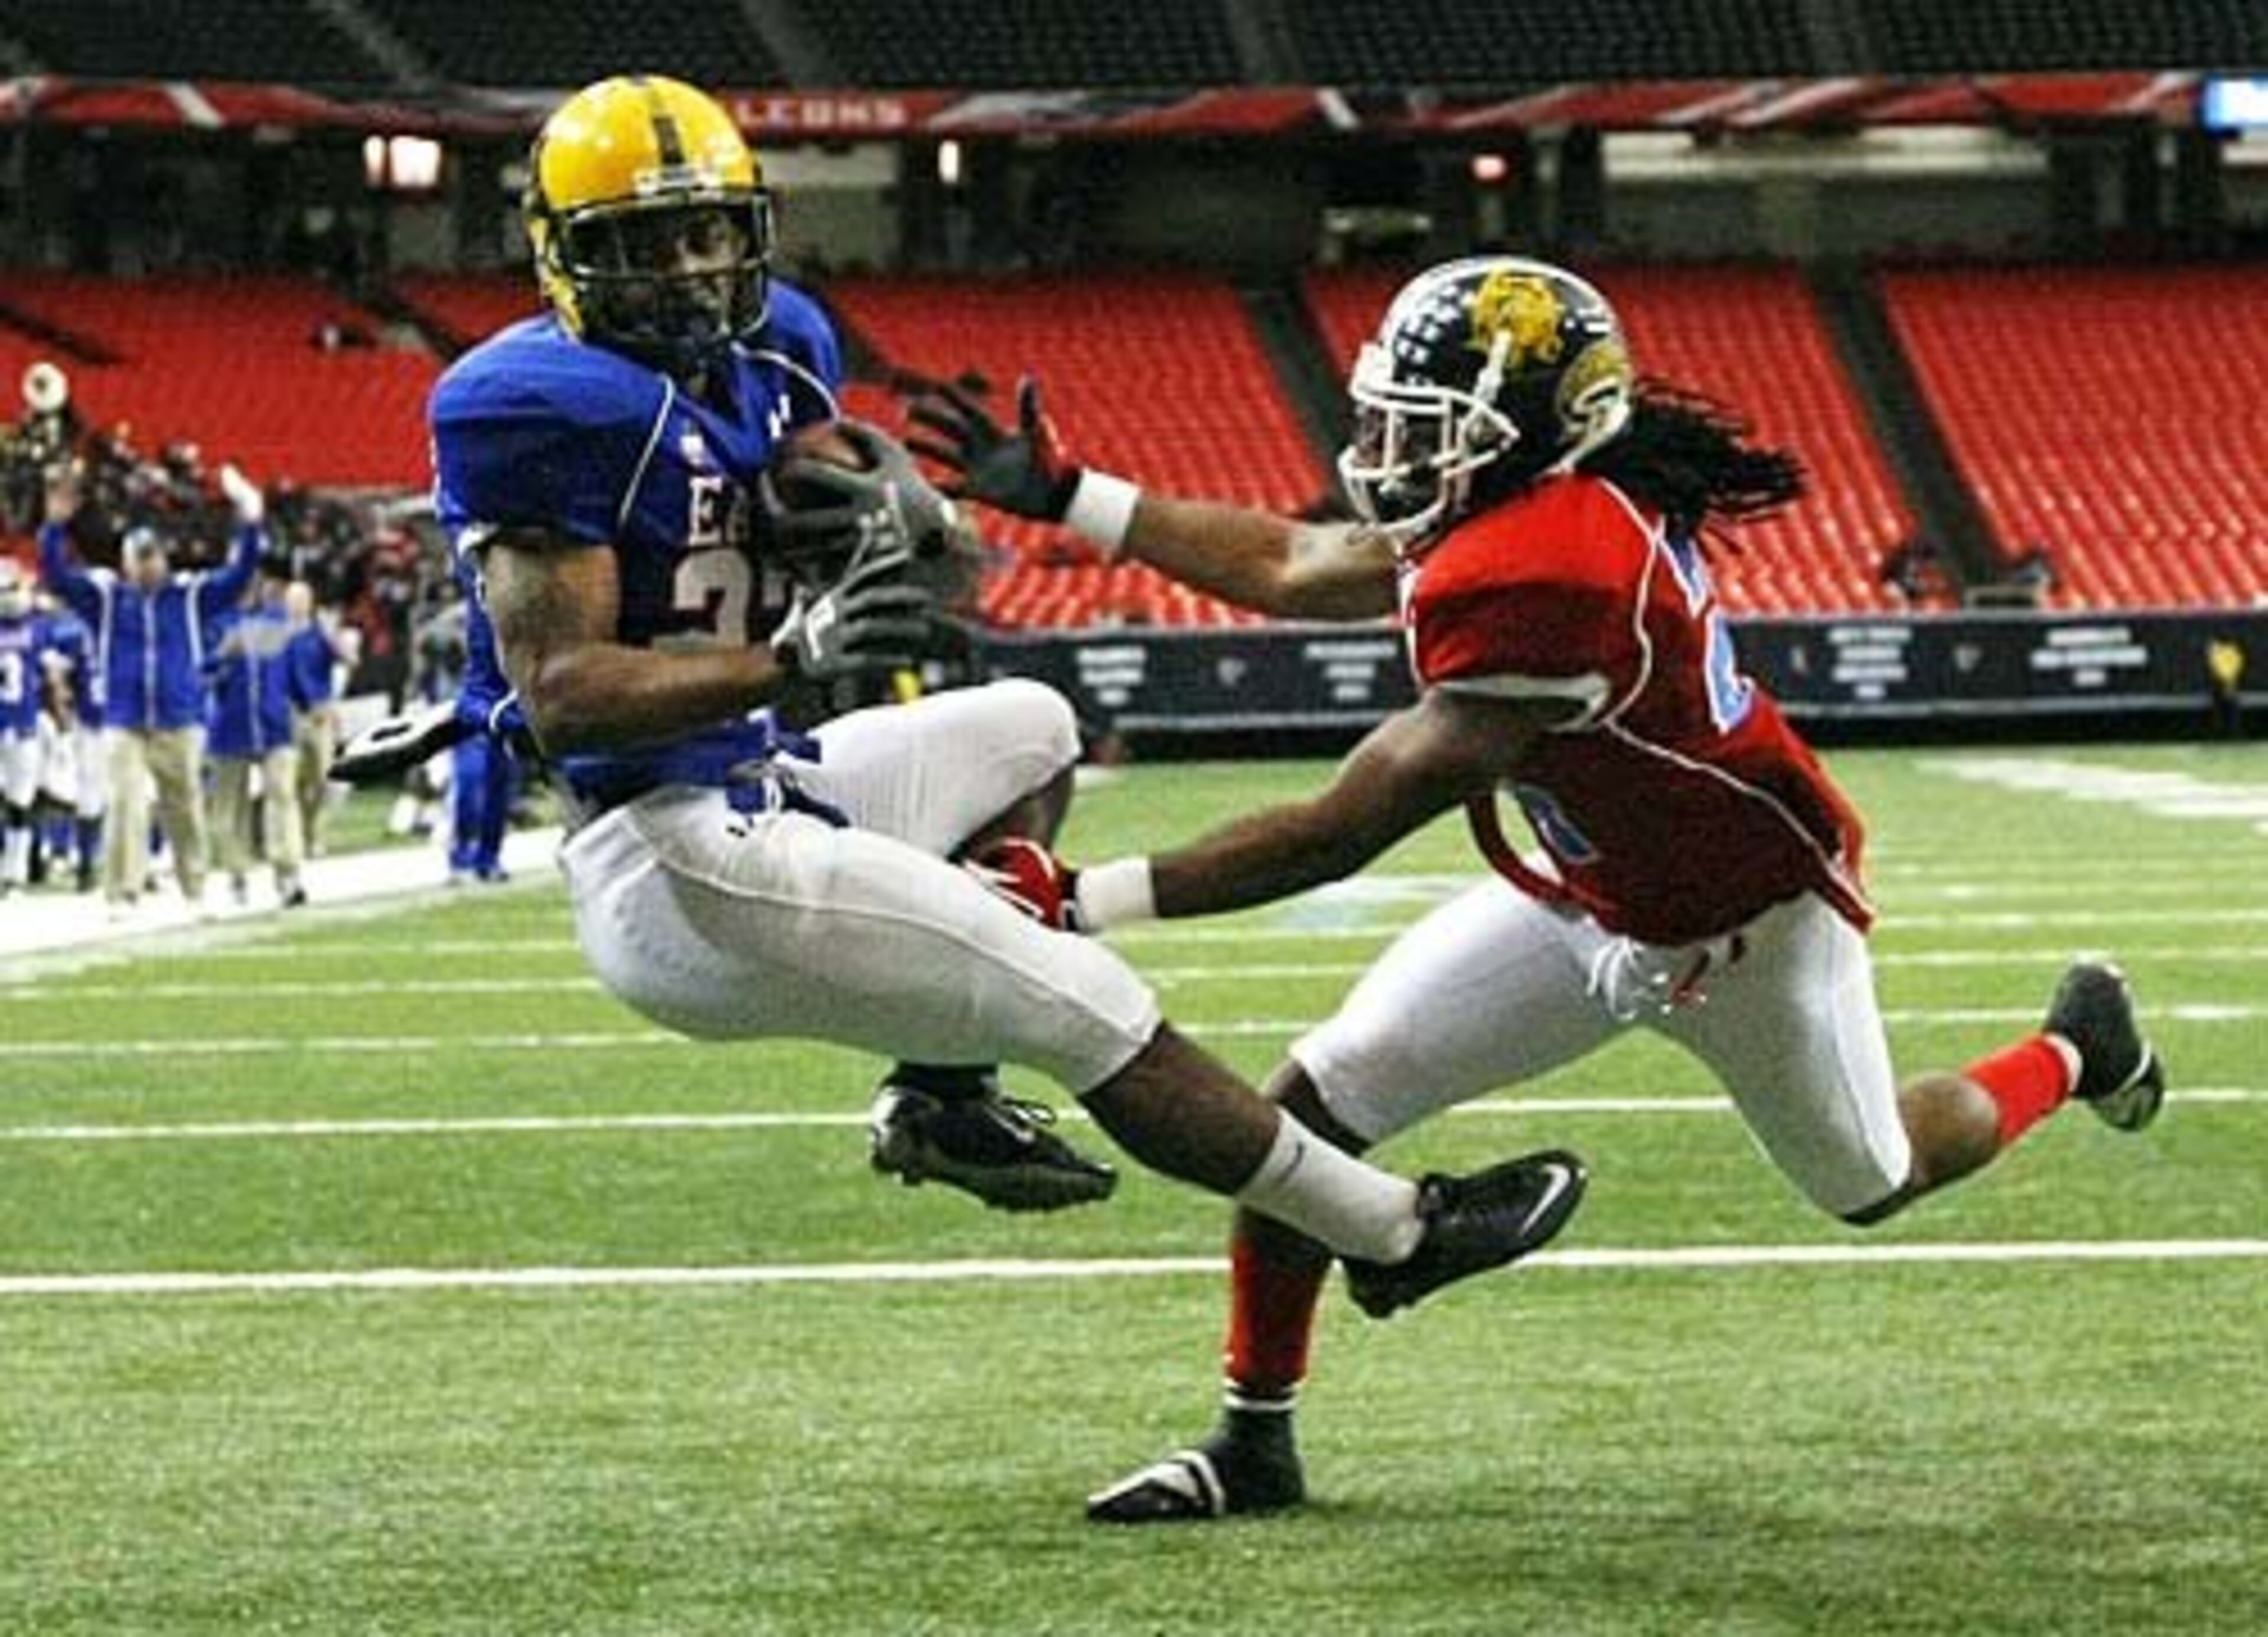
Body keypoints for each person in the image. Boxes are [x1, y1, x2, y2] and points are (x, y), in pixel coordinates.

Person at [907, 254, 2169, 1522]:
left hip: (1738, 930)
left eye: (1431, 424)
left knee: (1869, 1178)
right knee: (1305, 1123)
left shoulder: (1551, 570)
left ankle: (2074, 1049)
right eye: (1395, 412)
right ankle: (1255, 1440)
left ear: (1533, 437)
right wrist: (1073, 494)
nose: (1391, 447)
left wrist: (1081, 895)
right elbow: (1296, 562)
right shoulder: (1525, 502)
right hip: (1581, 890)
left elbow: (1341, 829)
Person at [428, 77, 1586, 1313]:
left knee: (1031, 729)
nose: (687, 272)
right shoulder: (530, 404)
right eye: (641, 246)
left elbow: (916, 560)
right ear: (562, 258)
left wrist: (906, 518)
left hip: (762, 782)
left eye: (707, 232)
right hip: (671, 859)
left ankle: (940, 1089)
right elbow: (563, 694)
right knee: (1080, 994)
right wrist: (797, 657)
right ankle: (1395, 1234)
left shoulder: (783, 351)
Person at [38, 462, 263, 913]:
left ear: (163, 557)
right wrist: (54, 528)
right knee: (124, 804)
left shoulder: (189, 596)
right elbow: (57, 576)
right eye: (136, 558)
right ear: (125, 561)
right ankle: (122, 892)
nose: (144, 566)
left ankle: (195, 888)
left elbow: (239, 576)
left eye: (151, 557)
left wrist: (251, 523)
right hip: (123, 716)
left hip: (179, 716)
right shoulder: (105, 599)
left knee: (184, 808)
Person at [207, 555, 308, 908]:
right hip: (229, 726)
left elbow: (293, 666)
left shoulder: (278, 621)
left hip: (274, 723)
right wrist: (221, 658)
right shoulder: (217, 623)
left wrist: (307, 703)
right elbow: (200, 672)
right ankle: (236, 871)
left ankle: (288, 870)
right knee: (228, 806)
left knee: (281, 794)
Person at [282, 579, 348, 858]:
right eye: (293, 599)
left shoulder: (320, 633)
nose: (298, 605)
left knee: (323, 779)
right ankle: (298, 837)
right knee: (291, 782)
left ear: (310, 603)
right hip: (290, 714)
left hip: (320, 713)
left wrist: (333, 635)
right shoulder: (278, 635)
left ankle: (314, 833)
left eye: (303, 599)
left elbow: (346, 659)